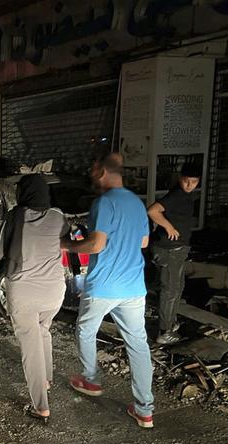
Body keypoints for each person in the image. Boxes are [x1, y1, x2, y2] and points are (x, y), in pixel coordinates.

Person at [61, 153, 154, 429]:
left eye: (92, 170)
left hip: (104, 285)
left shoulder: (103, 203)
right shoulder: (137, 203)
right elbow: (144, 242)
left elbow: (95, 245)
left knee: (86, 331)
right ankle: (144, 410)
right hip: (134, 286)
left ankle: (90, 379)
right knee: (138, 345)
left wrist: (66, 245)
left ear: (102, 172)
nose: (90, 175)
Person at [0, 174, 68, 423]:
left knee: (30, 348)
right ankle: (46, 380)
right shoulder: (58, 216)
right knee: (44, 330)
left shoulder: (16, 216)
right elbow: (66, 240)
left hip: (25, 291)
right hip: (54, 291)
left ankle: (41, 406)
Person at [147, 164, 201, 344]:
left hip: (177, 249)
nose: (189, 185)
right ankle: (165, 331)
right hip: (170, 250)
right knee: (170, 289)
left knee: (177, 287)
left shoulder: (185, 196)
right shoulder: (177, 195)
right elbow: (153, 210)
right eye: (186, 181)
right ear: (180, 178)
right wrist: (168, 226)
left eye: (193, 182)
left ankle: (170, 322)